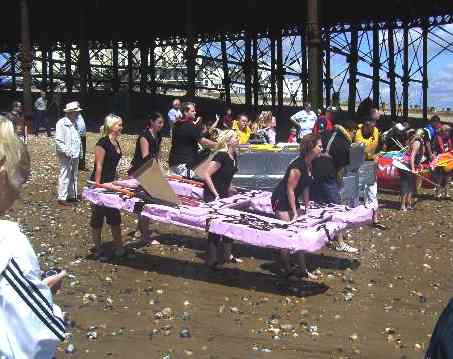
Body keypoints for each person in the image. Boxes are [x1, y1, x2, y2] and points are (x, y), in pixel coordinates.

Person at [0, 116, 67, 358]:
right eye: (18, 182)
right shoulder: (8, 243)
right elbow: (36, 344)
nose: (16, 198)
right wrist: (43, 296)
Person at [271, 134, 322, 281]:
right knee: (287, 234)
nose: (321, 148)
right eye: (319, 146)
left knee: (299, 233)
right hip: (281, 199)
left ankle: (303, 269)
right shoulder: (297, 166)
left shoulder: (309, 163)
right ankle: (288, 270)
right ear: (310, 148)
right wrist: (294, 212)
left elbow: (306, 186)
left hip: (291, 198)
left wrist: (306, 207)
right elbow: (290, 190)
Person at [311, 120, 360, 253]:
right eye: (355, 131)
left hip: (314, 173)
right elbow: (340, 169)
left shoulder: (326, 133)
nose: (355, 134)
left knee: (316, 207)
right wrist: (338, 184)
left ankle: (315, 237)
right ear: (351, 131)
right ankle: (340, 242)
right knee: (337, 208)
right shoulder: (344, 145)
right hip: (328, 176)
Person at [200, 130, 240, 269]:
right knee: (215, 227)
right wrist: (216, 194)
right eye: (235, 137)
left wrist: (231, 188)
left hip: (224, 194)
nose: (238, 138)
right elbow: (206, 174)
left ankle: (227, 255)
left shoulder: (234, 155)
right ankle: (211, 260)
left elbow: (227, 176)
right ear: (228, 140)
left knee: (229, 223)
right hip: (213, 194)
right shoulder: (221, 155)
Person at [90, 114, 125, 259]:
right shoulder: (102, 143)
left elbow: (113, 165)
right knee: (98, 217)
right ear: (111, 126)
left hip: (111, 183)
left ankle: (119, 247)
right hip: (101, 183)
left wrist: (117, 180)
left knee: (114, 216)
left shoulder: (115, 142)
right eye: (119, 125)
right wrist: (97, 186)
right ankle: (98, 249)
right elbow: (99, 165)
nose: (121, 127)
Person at [128, 112, 164, 246]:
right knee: (147, 202)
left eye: (162, 122)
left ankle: (140, 230)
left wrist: (160, 168)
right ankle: (144, 234)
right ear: (152, 122)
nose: (162, 125)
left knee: (145, 201)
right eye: (159, 122)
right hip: (142, 169)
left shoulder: (158, 135)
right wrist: (156, 172)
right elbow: (145, 156)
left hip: (151, 169)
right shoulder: (144, 136)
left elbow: (158, 153)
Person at [168, 102, 217, 178]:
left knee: (204, 152)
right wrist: (218, 145)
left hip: (173, 163)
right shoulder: (190, 125)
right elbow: (203, 141)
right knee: (211, 153)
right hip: (183, 165)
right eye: (192, 111)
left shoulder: (177, 125)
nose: (195, 112)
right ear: (185, 112)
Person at [55, 101, 82, 206]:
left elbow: (77, 139)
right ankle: (62, 197)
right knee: (65, 174)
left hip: (75, 153)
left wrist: (80, 152)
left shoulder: (74, 123)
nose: (77, 114)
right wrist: (66, 151)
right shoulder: (61, 123)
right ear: (70, 112)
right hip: (66, 154)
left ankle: (72, 195)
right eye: (76, 112)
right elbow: (58, 140)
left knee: (74, 174)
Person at [400, 128, 426, 211]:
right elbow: (412, 156)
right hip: (407, 164)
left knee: (411, 185)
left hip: (411, 164)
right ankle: (403, 205)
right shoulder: (417, 142)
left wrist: (417, 165)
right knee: (406, 184)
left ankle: (408, 204)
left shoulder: (416, 140)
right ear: (422, 135)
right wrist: (413, 169)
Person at [433, 124, 452, 199]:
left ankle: (447, 193)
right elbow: (434, 150)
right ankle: (438, 194)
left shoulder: (449, 139)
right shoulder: (437, 138)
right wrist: (434, 158)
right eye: (447, 131)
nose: (448, 133)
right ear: (443, 131)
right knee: (439, 177)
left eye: (449, 131)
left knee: (448, 177)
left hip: (449, 160)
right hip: (440, 160)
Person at [75, 103, 87, 171]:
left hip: (82, 135)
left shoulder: (79, 115)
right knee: (77, 151)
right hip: (77, 136)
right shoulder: (72, 116)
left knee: (82, 150)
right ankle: (77, 165)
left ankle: (82, 165)